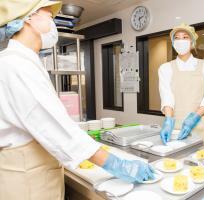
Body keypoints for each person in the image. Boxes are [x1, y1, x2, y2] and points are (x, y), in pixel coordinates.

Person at [0, 1, 153, 199]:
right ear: (29, 18)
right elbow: (54, 128)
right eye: (49, 14)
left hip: (33, 172)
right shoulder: (16, 65)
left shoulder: (19, 61)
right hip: (27, 180)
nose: (52, 22)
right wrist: (117, 164)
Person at [158, 23, 204, 144]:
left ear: (192, 42)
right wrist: (168, 120)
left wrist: (194, 118)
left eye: (185, 37)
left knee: (202, 159)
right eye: (177, 38)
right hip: (176, 127)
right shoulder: (165, 68)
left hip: (201, 124)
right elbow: (167, 96)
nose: (181, 41)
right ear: (173, 43)